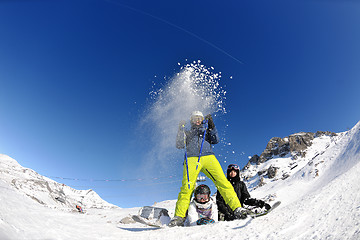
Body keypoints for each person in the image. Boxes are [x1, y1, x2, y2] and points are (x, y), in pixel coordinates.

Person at [168, 111, 247, 227]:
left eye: (199, 118)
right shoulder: (188, 133)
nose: (197, 120)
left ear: (203, 120)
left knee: (223, 182)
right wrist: (180, 129)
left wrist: (212, 126)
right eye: (195, 118)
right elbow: (179, 144)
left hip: (209, 157)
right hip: (191, 159)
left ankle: (237, 209)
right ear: (191, 121)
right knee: (187, 187)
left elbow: (215, 140)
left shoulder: (206, 131)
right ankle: (179, 216)